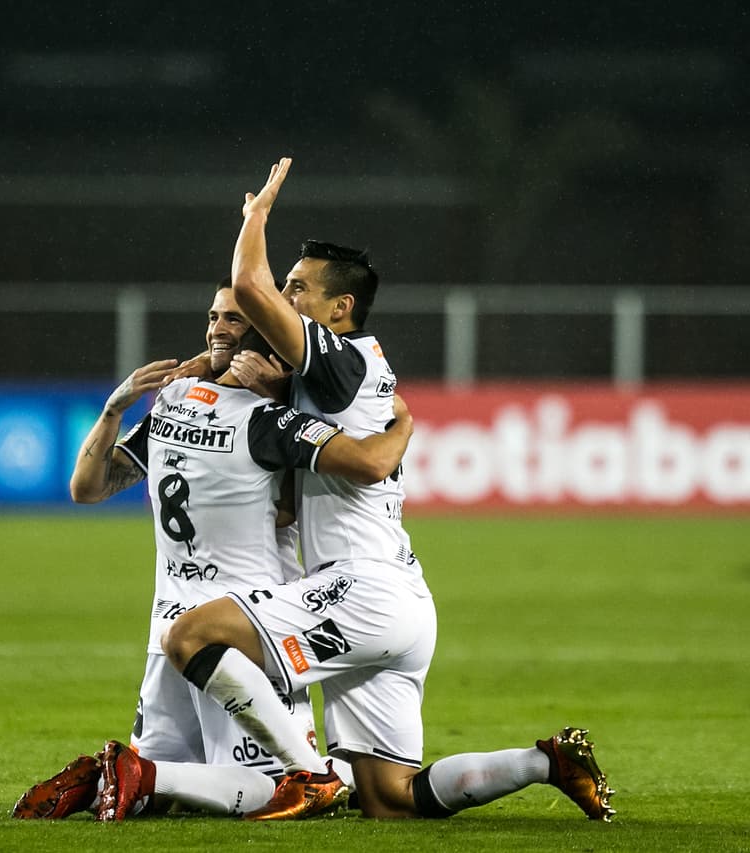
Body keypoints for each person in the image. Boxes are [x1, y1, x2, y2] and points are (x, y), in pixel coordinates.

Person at [90, 157, 614, 822]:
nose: (285, 297)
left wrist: (255, 218)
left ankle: (306, 776)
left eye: (299, 288)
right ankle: (547, 761)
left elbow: (250, 290)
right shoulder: (325, 376)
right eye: (287, 285)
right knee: (391, 801)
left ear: (341, 308)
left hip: (362, 589)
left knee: (190, 636)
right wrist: (266, 387)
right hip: (401, 597)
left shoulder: (344, 359)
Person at [12, 281, 413, 819]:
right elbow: (307, 501)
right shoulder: (270, 422)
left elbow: (87, 488)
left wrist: (114, 409)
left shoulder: (175, 400)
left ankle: (112, 775)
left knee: (153, 806)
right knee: (285, 790)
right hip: (239, 633)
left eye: (231, 318)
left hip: (167, 628)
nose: (216, 327)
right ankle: (145, 770)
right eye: (215, 316)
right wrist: (403, 423)